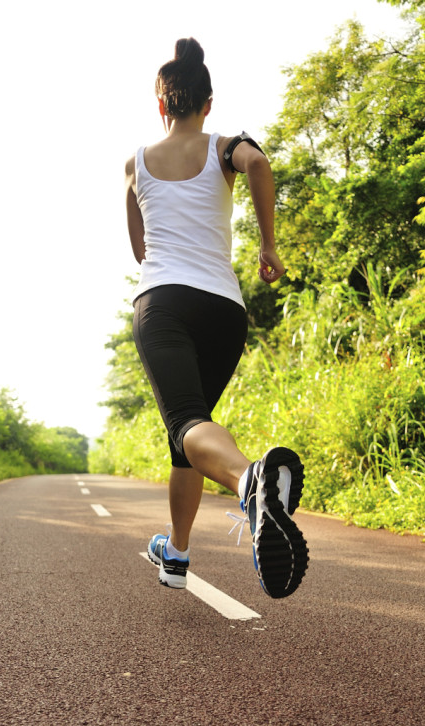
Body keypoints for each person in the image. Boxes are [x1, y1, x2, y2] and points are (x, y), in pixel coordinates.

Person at [124, 37, 308, 599]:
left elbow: (139, 250)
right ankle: (176, 553)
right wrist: (268, 245)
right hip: (224, 309)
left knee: (185, 423)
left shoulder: (136, 163)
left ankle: (248, 480)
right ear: (208, 103)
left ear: (162, 106)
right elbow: (257, 162)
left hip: (165, 303)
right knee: (187, 434)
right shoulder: (226, 146)